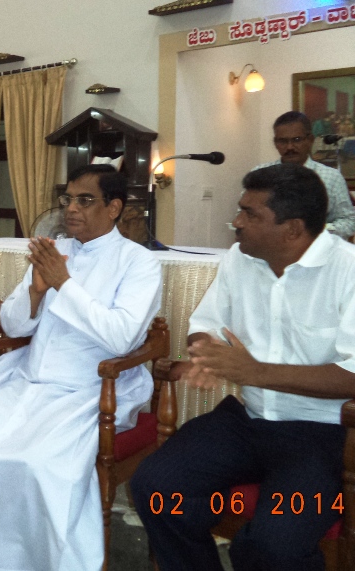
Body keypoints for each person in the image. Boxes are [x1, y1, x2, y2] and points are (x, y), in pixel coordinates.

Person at [0, 164, 162, 570]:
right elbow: (13, 326)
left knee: (39, 462)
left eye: (85, 200)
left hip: (91, 386)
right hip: (29, 375)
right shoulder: (55, 250)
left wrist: (63, 283)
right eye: (68, 199)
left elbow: (122, 338)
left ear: (114, 208)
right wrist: (35, 293)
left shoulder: (138, 262)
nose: (71, 209)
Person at [130, 163, 355, 571]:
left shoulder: (348, 270)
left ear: (293, 229)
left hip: (323, 435)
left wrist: (253, 371)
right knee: (155, 488)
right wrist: (208, 354)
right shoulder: (240, 258)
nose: (236, 222)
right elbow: (205, 326)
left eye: (250, 214)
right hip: (247, 420)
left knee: (274, 546)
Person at [254, 111, 355, 239]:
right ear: (275, 143)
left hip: (318, 246)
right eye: (283, 141)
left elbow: (349, 220)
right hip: (271, 246)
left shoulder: (331, 177)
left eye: (296, 140)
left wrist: (319, 231)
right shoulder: (261, 175)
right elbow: (245, 216)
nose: (290, 147)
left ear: (310, 140)